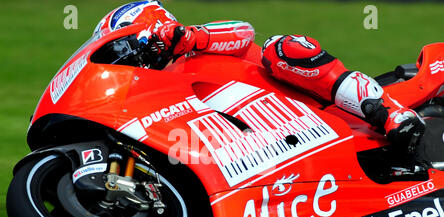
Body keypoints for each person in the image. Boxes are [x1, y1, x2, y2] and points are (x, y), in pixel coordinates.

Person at [94, 0, 425, 153]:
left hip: (309, 102)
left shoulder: (193, 46)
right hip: (278, 140)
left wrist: (190, 37)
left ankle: (392, 112)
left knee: (282, 48)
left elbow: (244, 30)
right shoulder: (158, 90)